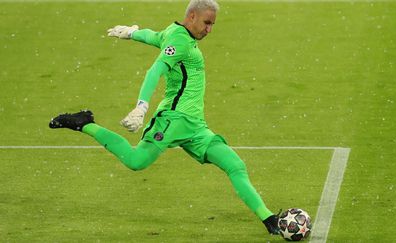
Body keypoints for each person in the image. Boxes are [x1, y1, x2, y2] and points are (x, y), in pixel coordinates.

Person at [49, 0, 281, 236]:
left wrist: (132, 32)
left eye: (213, 24)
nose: (209, 29)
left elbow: (155, 36)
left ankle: (269, 219)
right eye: (207, 23)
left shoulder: (175, 32)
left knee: (235, 165)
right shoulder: (180, 41)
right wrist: (141, 107)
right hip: (172, 120)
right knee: (135, 160)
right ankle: (84, 123)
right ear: (191, 16)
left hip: (195, 127)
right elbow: (155, 70)